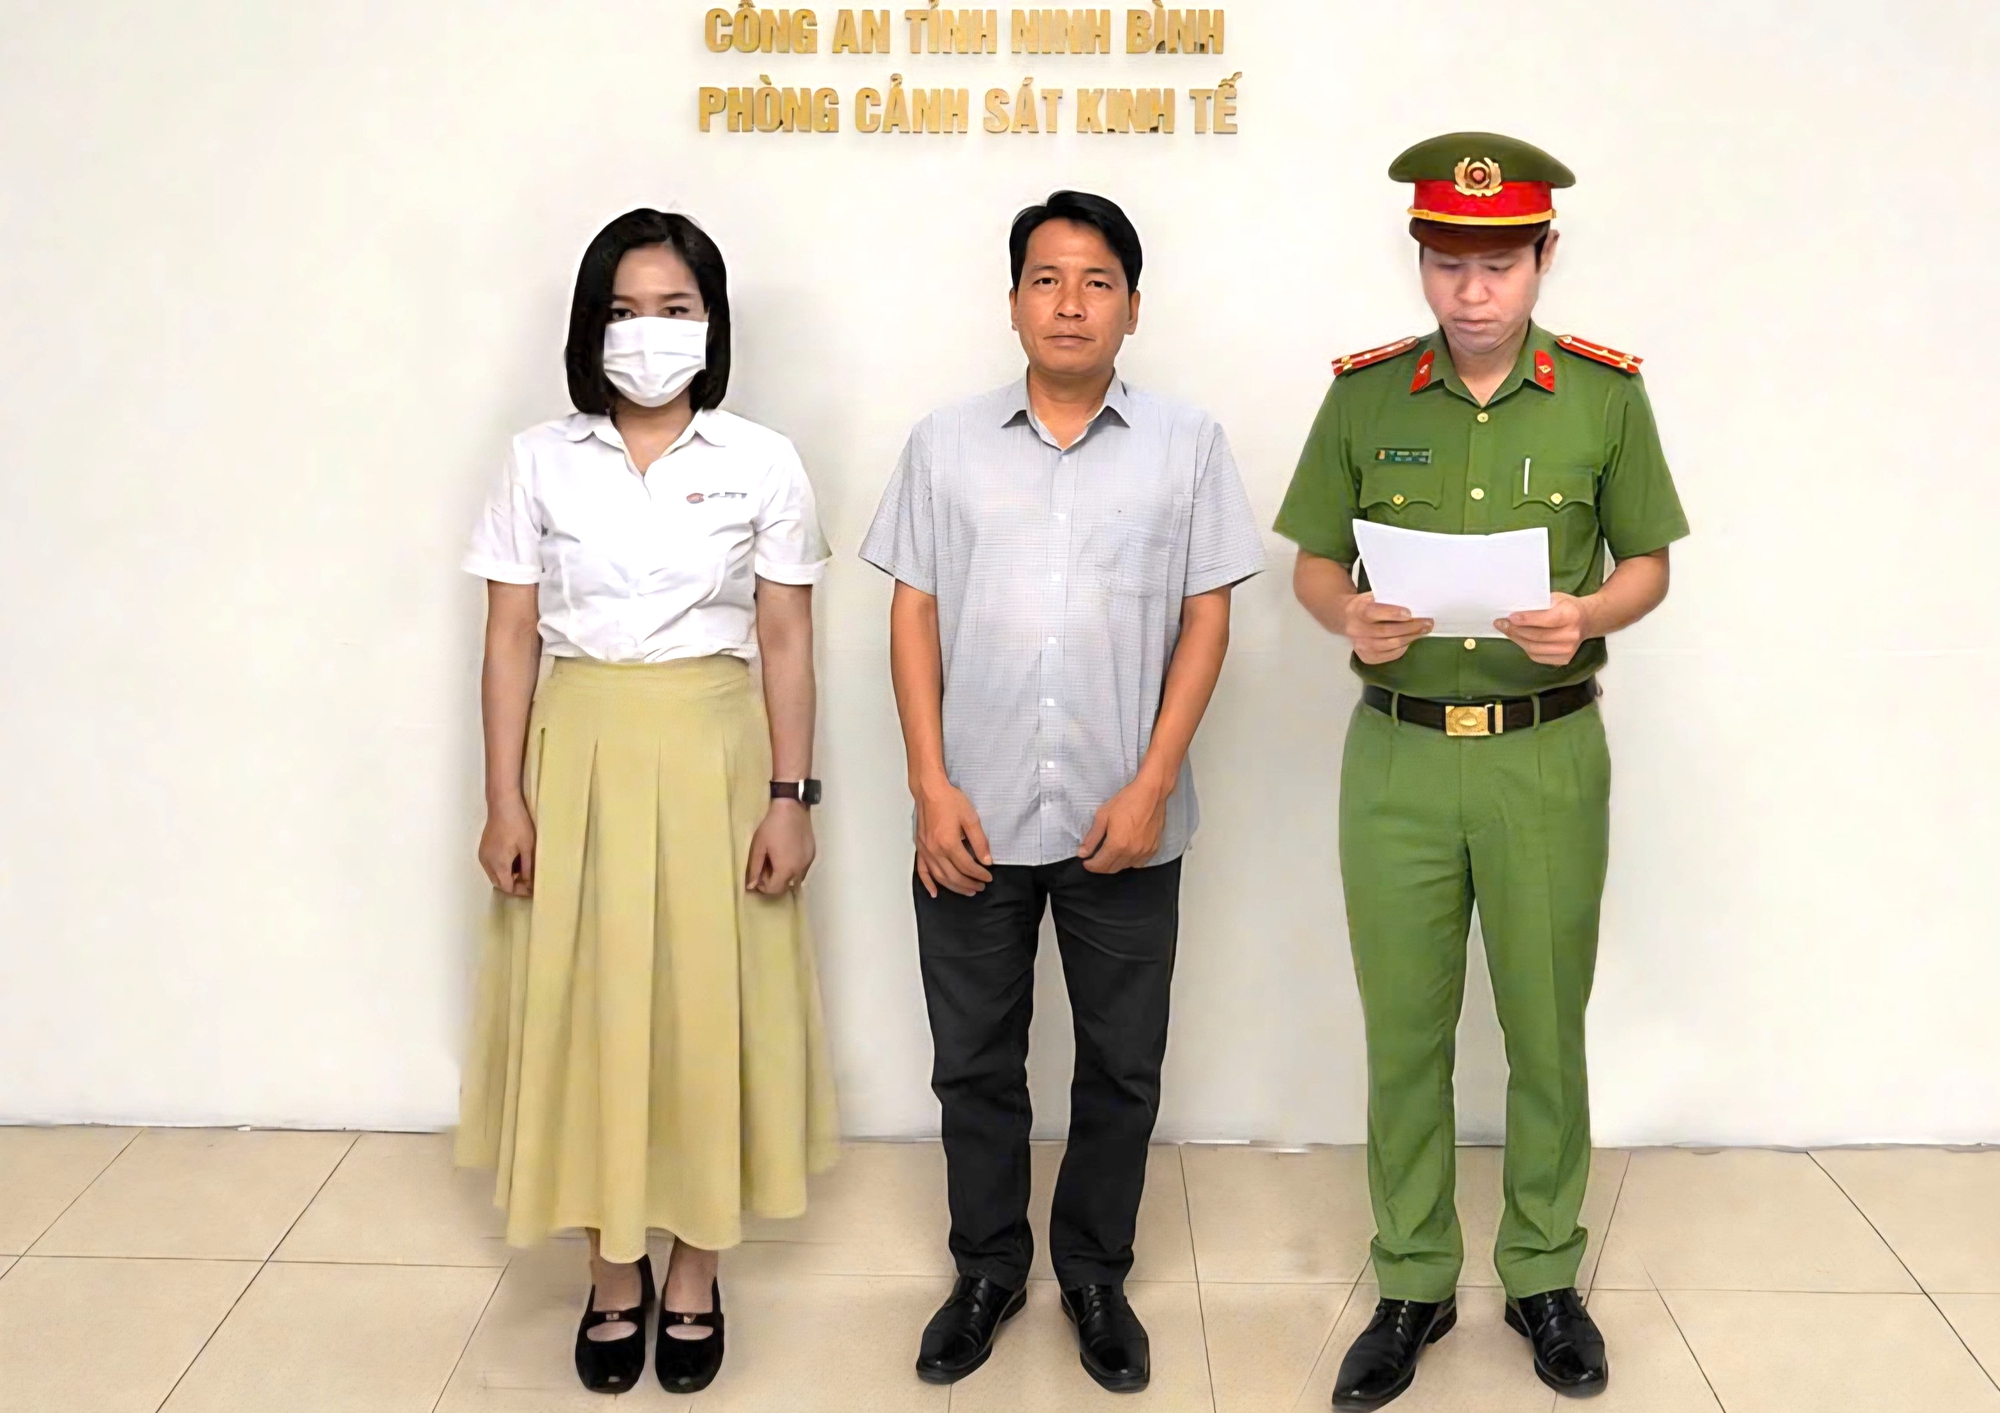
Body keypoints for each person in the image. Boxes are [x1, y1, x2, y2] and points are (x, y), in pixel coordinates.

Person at [1274, 134, 1690, 1410]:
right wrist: (1346, 615)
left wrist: (1589, 615)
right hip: (1396, 757)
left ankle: (1541, 1276)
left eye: (1497, 264)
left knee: (1542, 1027)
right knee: (1403, 1031)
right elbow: (1310, 560)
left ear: (1542, 257)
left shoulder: (1601, 397)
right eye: (1446, 263)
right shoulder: (1363, 397)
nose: (1470, 291)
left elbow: (1646, 561)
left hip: (1543, 755)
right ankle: (1409, 1280)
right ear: (1418, 260)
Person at [861, 190, 1265, 1393]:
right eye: (1046, 279)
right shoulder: (942, 444)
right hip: (971, 813)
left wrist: (1153, 783)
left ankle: (1093, 1273)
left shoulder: (1187, 443)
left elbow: (1206, 619)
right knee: (973, 1063)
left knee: (1119, 1065)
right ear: (1012, 303)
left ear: (1132, 307)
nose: (1070, 302)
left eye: (1096, 281)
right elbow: (912, 612)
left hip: (1121, 819)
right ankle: (986, 1270)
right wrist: (928, 785)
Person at [454, 209, 839, 1397]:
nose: (649, 331)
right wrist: (503, 799)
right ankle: (609, 1267)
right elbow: (509, 637)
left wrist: (789, 795)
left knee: (706, 1005)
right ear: (591, 326)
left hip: (715, 749)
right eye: (625, 310)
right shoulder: (538, 459)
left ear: (710, 324)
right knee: (588, 1000)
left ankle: (696, 1268)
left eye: (674, 309)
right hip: (577, 753)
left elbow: (786, 636)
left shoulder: (760, 460)